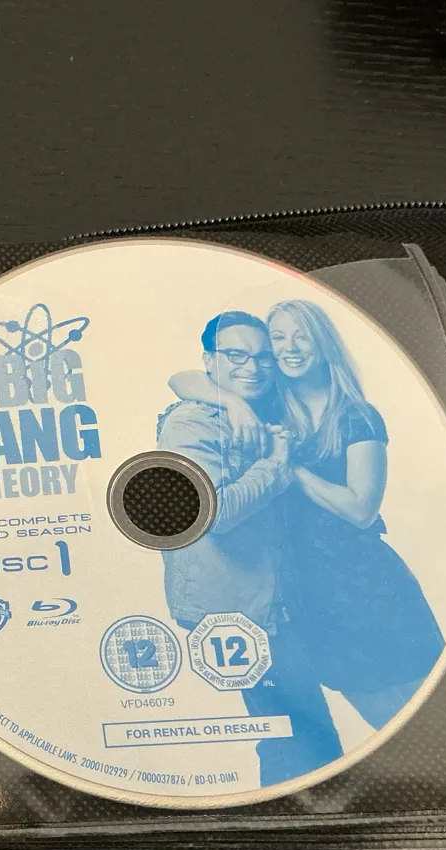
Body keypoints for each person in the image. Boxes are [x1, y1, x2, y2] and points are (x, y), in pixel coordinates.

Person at [169, 300, 444, 727]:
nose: (290, 347)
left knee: (435, 711)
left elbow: (360, 509)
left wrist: (289, 467)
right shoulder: (269, 404)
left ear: (324, 344)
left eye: (302, 336)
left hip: (366, 584)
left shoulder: (355, 415)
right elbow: (181, 379)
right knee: (382, 719)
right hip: (305, 594)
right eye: (279, 337)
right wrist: (232, 402)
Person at [157, 311, 343, 786]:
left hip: (274, 601)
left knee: (299, 734)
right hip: (234, 611)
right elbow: (213, 513)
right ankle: (296, 820)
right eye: (236, 355)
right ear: (211, 361)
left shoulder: (256, 408)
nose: (252, 367)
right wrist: (276, 464)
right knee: (300, 741)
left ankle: (296, 815)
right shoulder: (190, 423)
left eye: (263, 357)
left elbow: (182, 377)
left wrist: (235, 403)